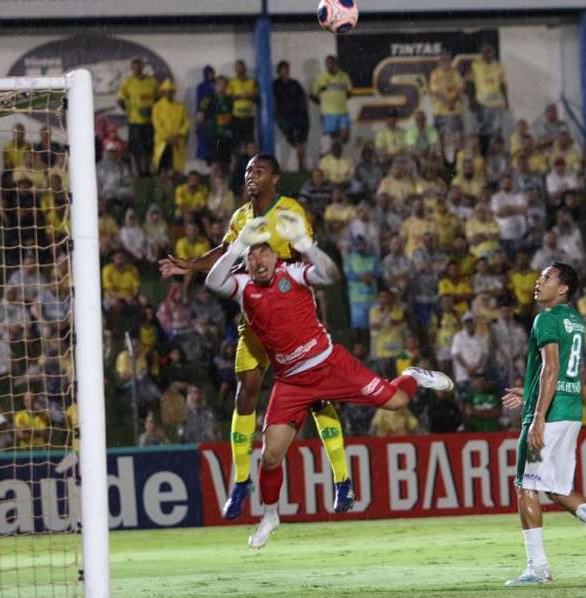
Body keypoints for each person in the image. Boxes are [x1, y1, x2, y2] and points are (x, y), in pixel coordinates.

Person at [204, 211, 454, 548]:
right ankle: (270, 516)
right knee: (270, 456)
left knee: (397, 402)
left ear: (276, 257)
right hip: (291, 382)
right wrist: (237, 246)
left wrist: (305, 243)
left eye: (264, 252)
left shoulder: (293, 273)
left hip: (329, 365)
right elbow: (212, 282)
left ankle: (411, 375)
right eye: (253, 254)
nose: (258, 259)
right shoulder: (243, 285)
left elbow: (330, 274)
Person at [159, 154, 354, 519]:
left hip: (291, 318)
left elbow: (307, 255)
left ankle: (342, 479)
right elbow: (224, 252)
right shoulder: (240, 217)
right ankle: (241, 481)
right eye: (248, 170)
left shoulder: (290, 211)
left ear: (275, 178)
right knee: (245, 392)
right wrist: (192, 265)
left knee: (317, 397)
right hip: (255, 318)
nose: (251, 175)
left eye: (259, 171)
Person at [500, 262, 586, 585]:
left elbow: (551, 368)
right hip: (570, 410)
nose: (538, 281)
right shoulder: (575, 320)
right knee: (556, 488)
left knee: (526, 485)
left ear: (563, 288)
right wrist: (529, 392)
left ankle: (537, 568)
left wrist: (537, 415)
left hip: (549, 414)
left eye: (547, 277)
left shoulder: (546, 318)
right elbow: (564, 369)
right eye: (540, 276)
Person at [116, 57, 158, 177]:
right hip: (134, 121)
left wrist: (151, 109)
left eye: (139, 66)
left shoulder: (151, 81)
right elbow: (120, 100)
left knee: (150, 147)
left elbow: (158, 97)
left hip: (150, 121)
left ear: (143, 67)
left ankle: (149, 170)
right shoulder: (128, 82)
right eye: (135, 67)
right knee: (136, 148)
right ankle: (139, 172)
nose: (137, 68)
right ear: (132, 68)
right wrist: (130, 110)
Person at [273, 60, 310, 171]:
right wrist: (278, 117)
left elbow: (303, 97)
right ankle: (281, 166)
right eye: (284, 69)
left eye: (287, 69)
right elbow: (273, 102)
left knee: (301, 142)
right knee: (289, 142)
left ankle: (301, 166)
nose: (286, 71)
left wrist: (305, 111)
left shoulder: (294, 83)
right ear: (279, 71)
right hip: (285, 118)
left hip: (298, 116)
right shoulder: (275, 85)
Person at [150, 79, 189, 174]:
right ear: (162, 92)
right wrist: (168, 138)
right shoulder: (157, 107)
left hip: (177, 140)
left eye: (171, 91)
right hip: (163, 141)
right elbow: (157, 124)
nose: (169, 93)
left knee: (177, 168)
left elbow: (186, 122)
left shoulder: (180, 106)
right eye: (166, 91)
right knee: (163, 167)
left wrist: (179, 134)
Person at [311, 55, 352, 144]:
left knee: (345, 137)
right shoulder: (321, 78)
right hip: (328, 113)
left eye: (332, 63)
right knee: (334, 139)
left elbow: (349, 92)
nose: (330, 65)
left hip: (343, 111)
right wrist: (323, 103)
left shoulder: (344, 76)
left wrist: (339, 99)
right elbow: (313, 95)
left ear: (336, 64)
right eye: (327, 64)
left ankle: (335, 148)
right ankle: (335, 150)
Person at [229, 59, 259, 150]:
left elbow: (257, 98)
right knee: (236, 145)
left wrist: (250, 96)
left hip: (248, 117)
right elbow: (228, 98)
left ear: (245, 69)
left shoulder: (252, 82)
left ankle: (251, 159)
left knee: (250, 144)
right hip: (236, 118)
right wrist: (240, 96)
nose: (239, 71)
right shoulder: (231, 82)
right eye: (237, 69)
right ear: (235, 70)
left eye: (241, 68)